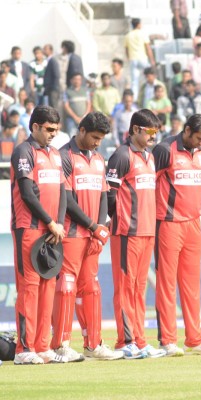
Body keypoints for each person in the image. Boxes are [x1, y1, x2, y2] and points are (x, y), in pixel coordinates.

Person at [49, 112, 123, 361]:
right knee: (67, 285)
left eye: (100, 139)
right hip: (71, 232)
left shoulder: (99, 159)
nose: (97, 142)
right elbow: (66, 199)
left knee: (90, 286)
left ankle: (93, 345)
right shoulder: (63, 157)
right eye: (94, 137)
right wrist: (93, 226)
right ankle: (60, 344)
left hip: (92, 235)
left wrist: (100, 227)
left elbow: (104, 195)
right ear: (81, 131)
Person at [152, 114, 201, 356]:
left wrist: (197, 204)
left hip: (193, 224)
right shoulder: (164, 149)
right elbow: (148, 185)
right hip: (168, 223)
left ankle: (195, 339)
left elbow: (200, 182)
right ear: (187, 130)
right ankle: (168, 341)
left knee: (192, 284)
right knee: (166, 284)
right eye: (198, 138)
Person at [106, 109, 167, 359]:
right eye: (149, 131)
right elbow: (109, 194)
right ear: (134, 130)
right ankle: (125, 341)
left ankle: (140, 340)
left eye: (156, 131)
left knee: (139, 289)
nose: (153, 136)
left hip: (146, 230)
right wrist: (120, 220)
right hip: (127, 232)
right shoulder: (121, 155)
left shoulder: (149, 157)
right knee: (125, 288)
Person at [11, 106, 68, 364]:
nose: (53, 134)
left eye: (56, 130)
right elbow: (27, 193)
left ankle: (43, 346)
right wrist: (49, 221)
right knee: (29, 289)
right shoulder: (24, 151)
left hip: (52, 231)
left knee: (48, 288)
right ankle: (25, 348)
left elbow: (63, 191)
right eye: (49, 129)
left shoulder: (55, 154)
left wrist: (58, 223)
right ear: (35, 126)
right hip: (30, 227)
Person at [125, 18, 155, 100]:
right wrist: (152, 60)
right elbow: (148, 48)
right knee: (148, 78)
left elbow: (126, 50)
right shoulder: (143, 34)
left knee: (134, 82)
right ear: (138, 24)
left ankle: (134, 99)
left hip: (133, 59)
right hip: (142, 58)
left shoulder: (128, 35)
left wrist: (129, 59)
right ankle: (150, 96)